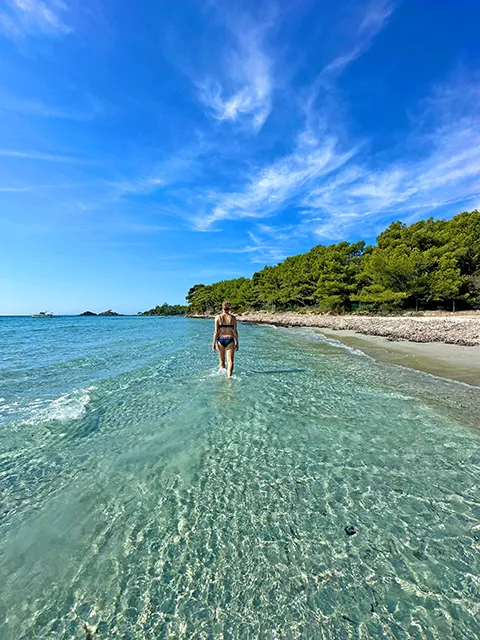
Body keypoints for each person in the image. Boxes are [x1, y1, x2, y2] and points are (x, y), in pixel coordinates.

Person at [212, 300, 239, 377]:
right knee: (230, 361)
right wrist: (237, 342)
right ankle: (229, 377)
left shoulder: (218, 317)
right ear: (229, 309)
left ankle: (221, 377)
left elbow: (216, 332)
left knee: (222, 361)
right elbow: (235, 331)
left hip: (220, 340)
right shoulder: (233, 318)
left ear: (222, 308)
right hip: (230, 340)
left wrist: (213, 344)